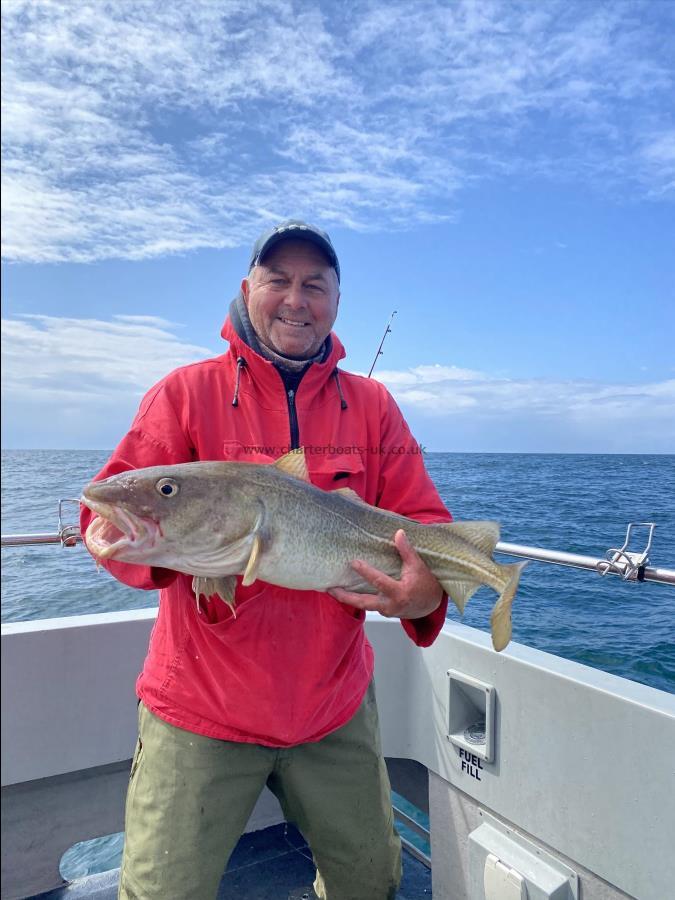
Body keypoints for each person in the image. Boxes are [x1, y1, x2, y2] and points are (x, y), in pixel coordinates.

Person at [81, 220, 451, 900]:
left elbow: (424, 526)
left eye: (314, 284)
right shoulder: (183, 394)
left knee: (371, 883)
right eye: (277, 280)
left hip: (330, 704)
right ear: (247, 289)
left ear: (336, 300)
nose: (294, 298)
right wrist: (155, 551)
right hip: (201, 707)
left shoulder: (371, 407)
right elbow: (103, 510)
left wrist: (424, 598)